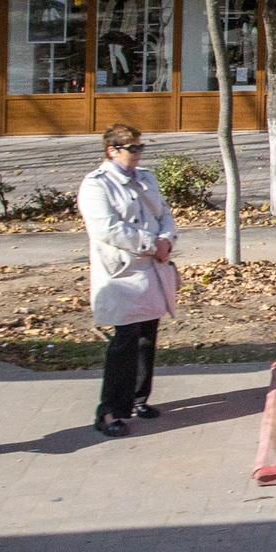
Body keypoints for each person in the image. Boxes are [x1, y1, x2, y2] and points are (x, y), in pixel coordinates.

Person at [79, 125, 178, 439]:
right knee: (124, 341)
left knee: (148, 336)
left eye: (140, 148)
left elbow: (164, 213)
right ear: (112, 150)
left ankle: (138, 398)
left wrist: (166, 240)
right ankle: (109, 410)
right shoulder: (96, 185)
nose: (137, 153)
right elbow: (107, 229)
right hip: (122, 273)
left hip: (153, 269)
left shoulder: (146, 178)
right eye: (131, 148)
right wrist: (152, 243)